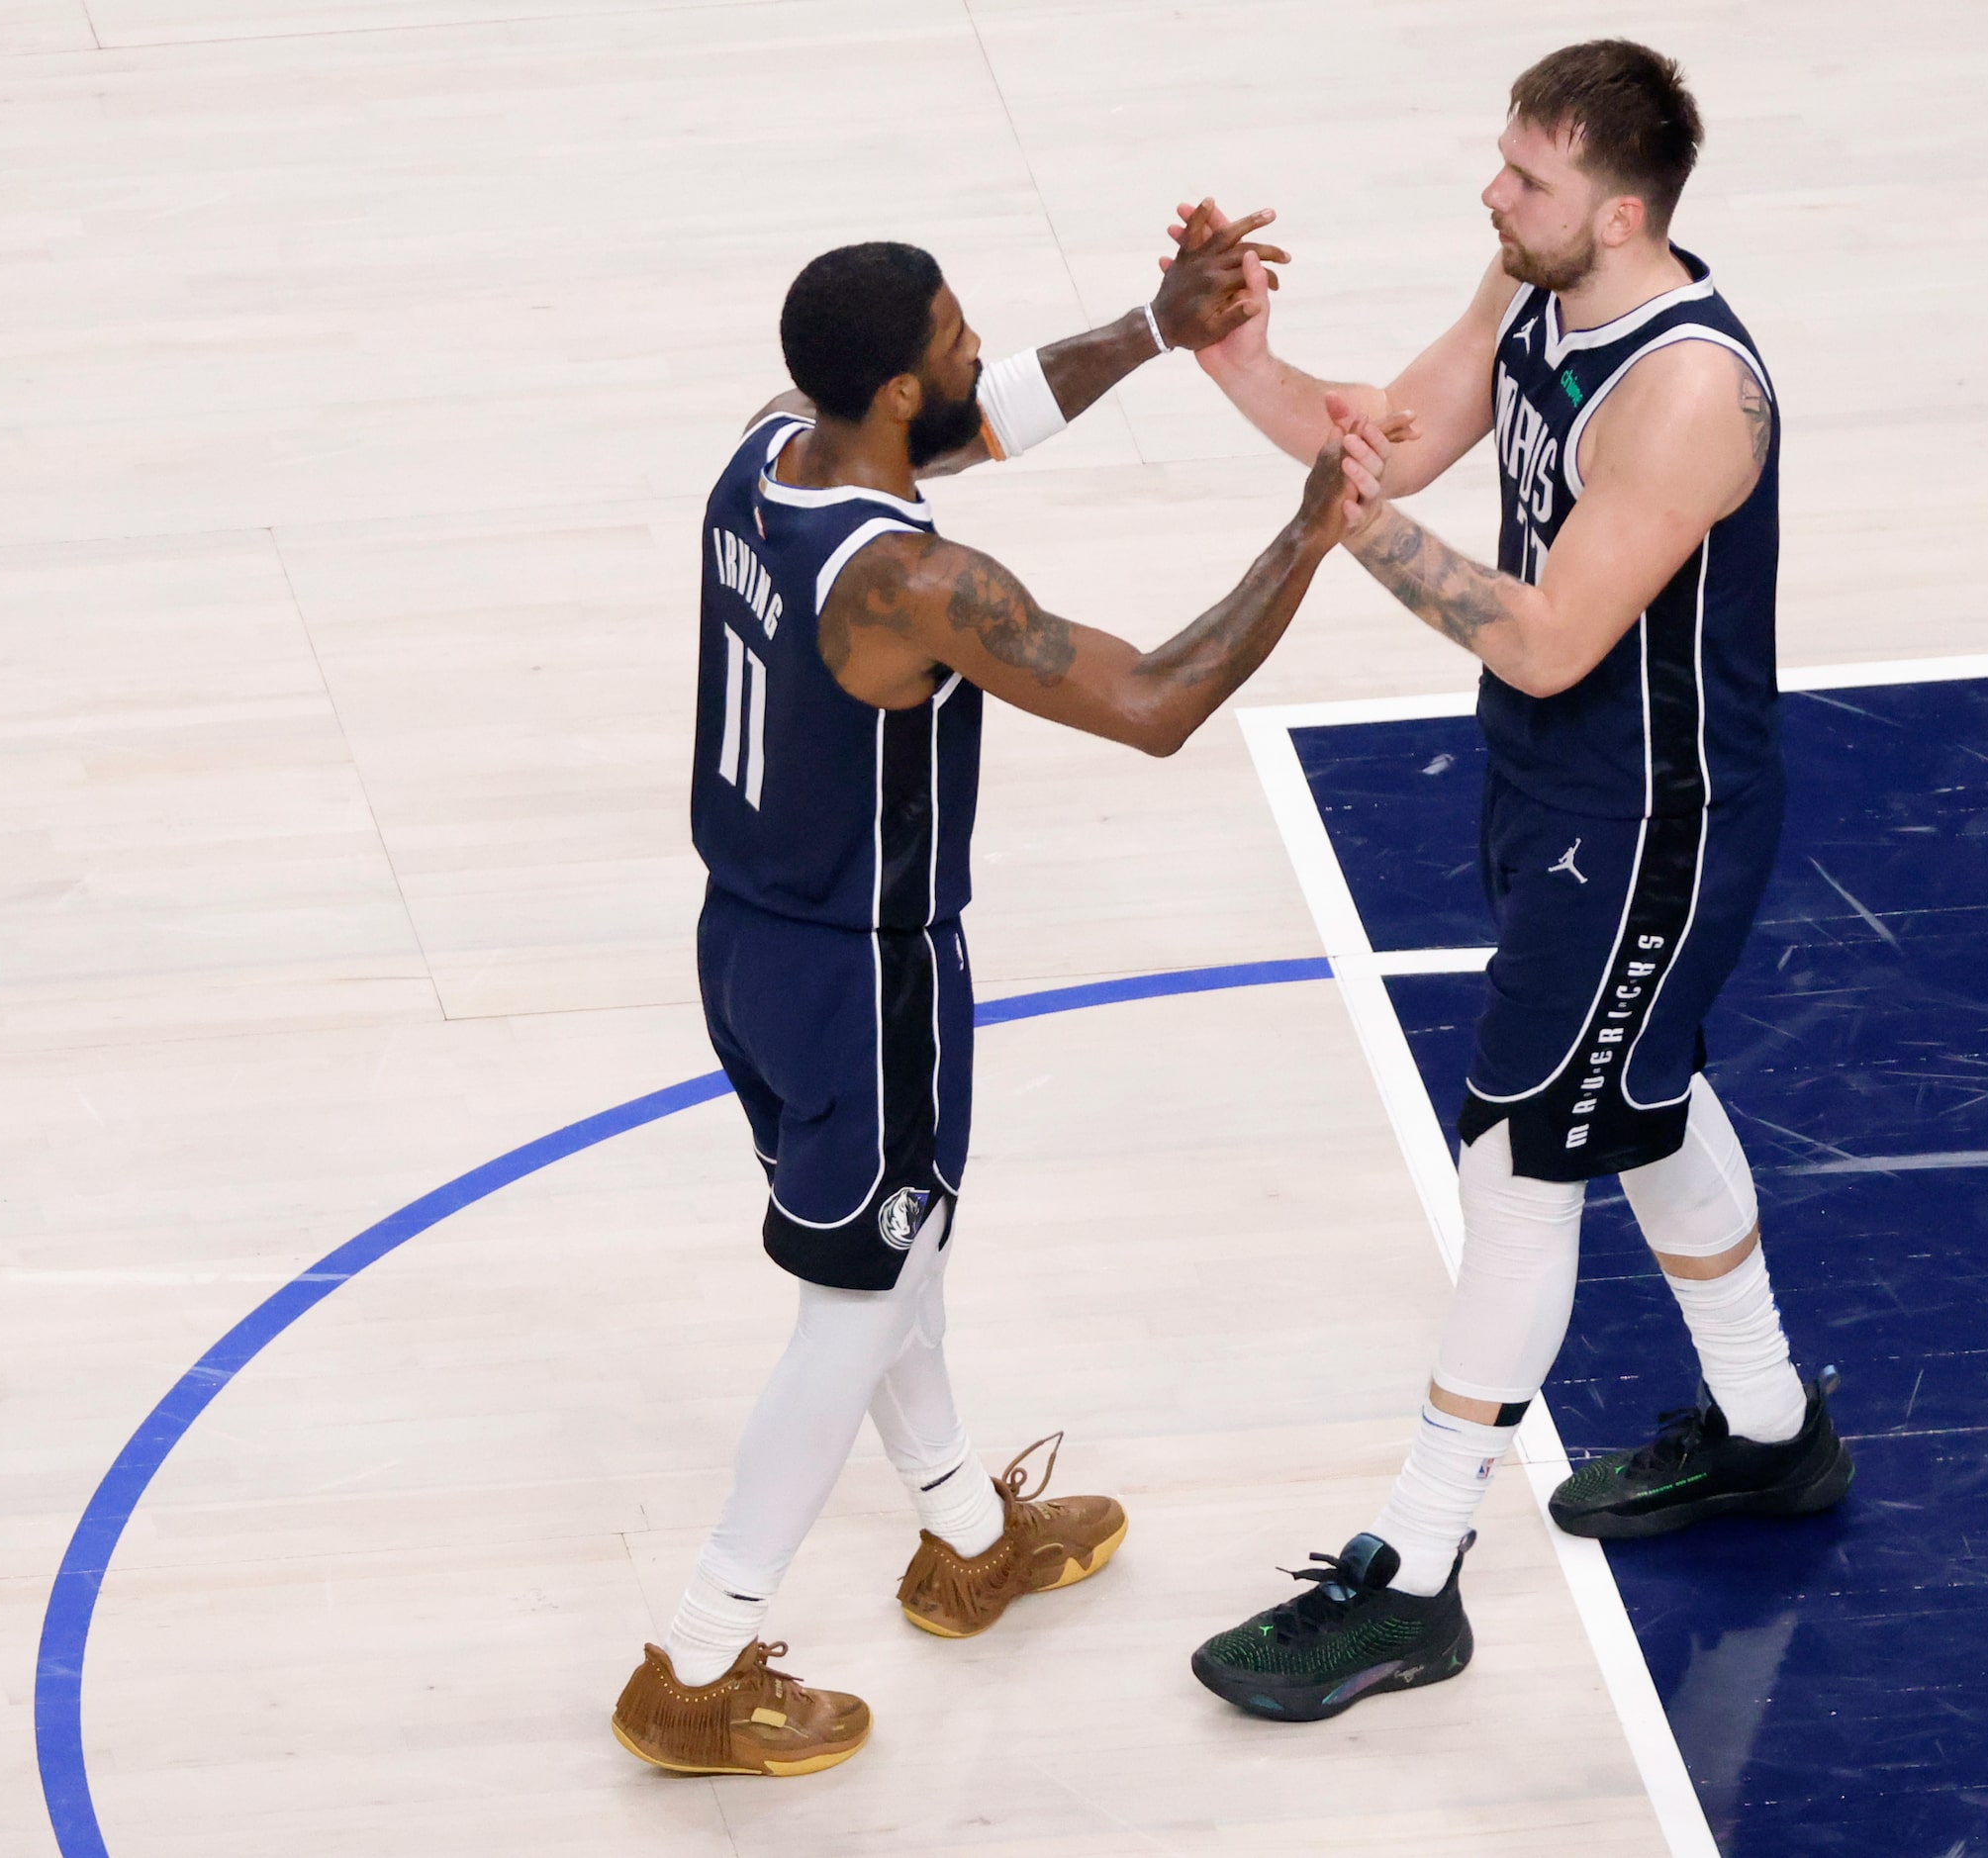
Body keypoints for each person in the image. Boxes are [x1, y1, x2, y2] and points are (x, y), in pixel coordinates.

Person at [612, 216, 1386, 1775]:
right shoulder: (914, 582)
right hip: (863, 972)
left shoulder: (766, 451)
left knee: (896, 1248)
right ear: (895, 388)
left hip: (744, 946)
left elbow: (978, 423)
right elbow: (1158, 702)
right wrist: (1309, 531)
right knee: (862, 1299)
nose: (979, 359)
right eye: (959, 341)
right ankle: (697, 1657)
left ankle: (966, 1533)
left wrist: (1154, 328)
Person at [1178, 41, 1852, 1723]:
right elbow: (1385, 445)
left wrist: (1357, 537)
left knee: (1519, 1150)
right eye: (1501, 164)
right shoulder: (1533, 281)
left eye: (1526, 177)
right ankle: (1769, 1432)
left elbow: (1549, 640)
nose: (1491, 194)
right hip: (1549, 785)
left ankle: (1411, 1572)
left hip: (1647, 818)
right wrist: (1232, 354)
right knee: (1640, 1094)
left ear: (1619, 211)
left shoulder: (1691, 391)